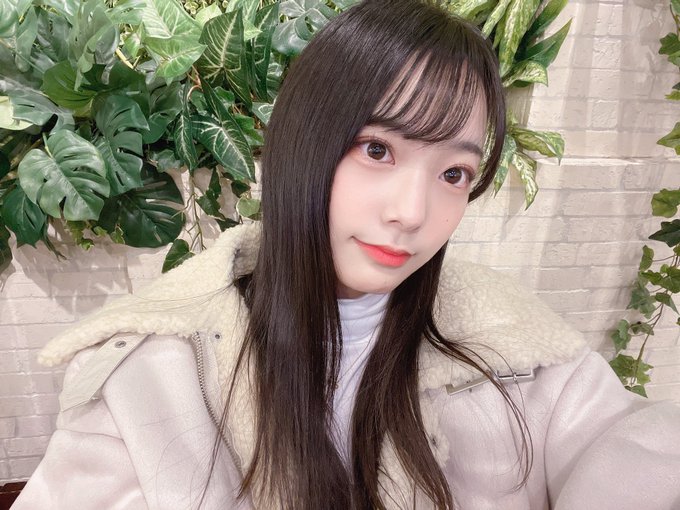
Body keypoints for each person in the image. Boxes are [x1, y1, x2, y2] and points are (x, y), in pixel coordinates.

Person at [12, 0, 680, 508]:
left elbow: (638, 446)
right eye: (377, 150)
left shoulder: (514, 345)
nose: (412, 213)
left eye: (453, 174)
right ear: (301, 144)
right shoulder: (153, 371)